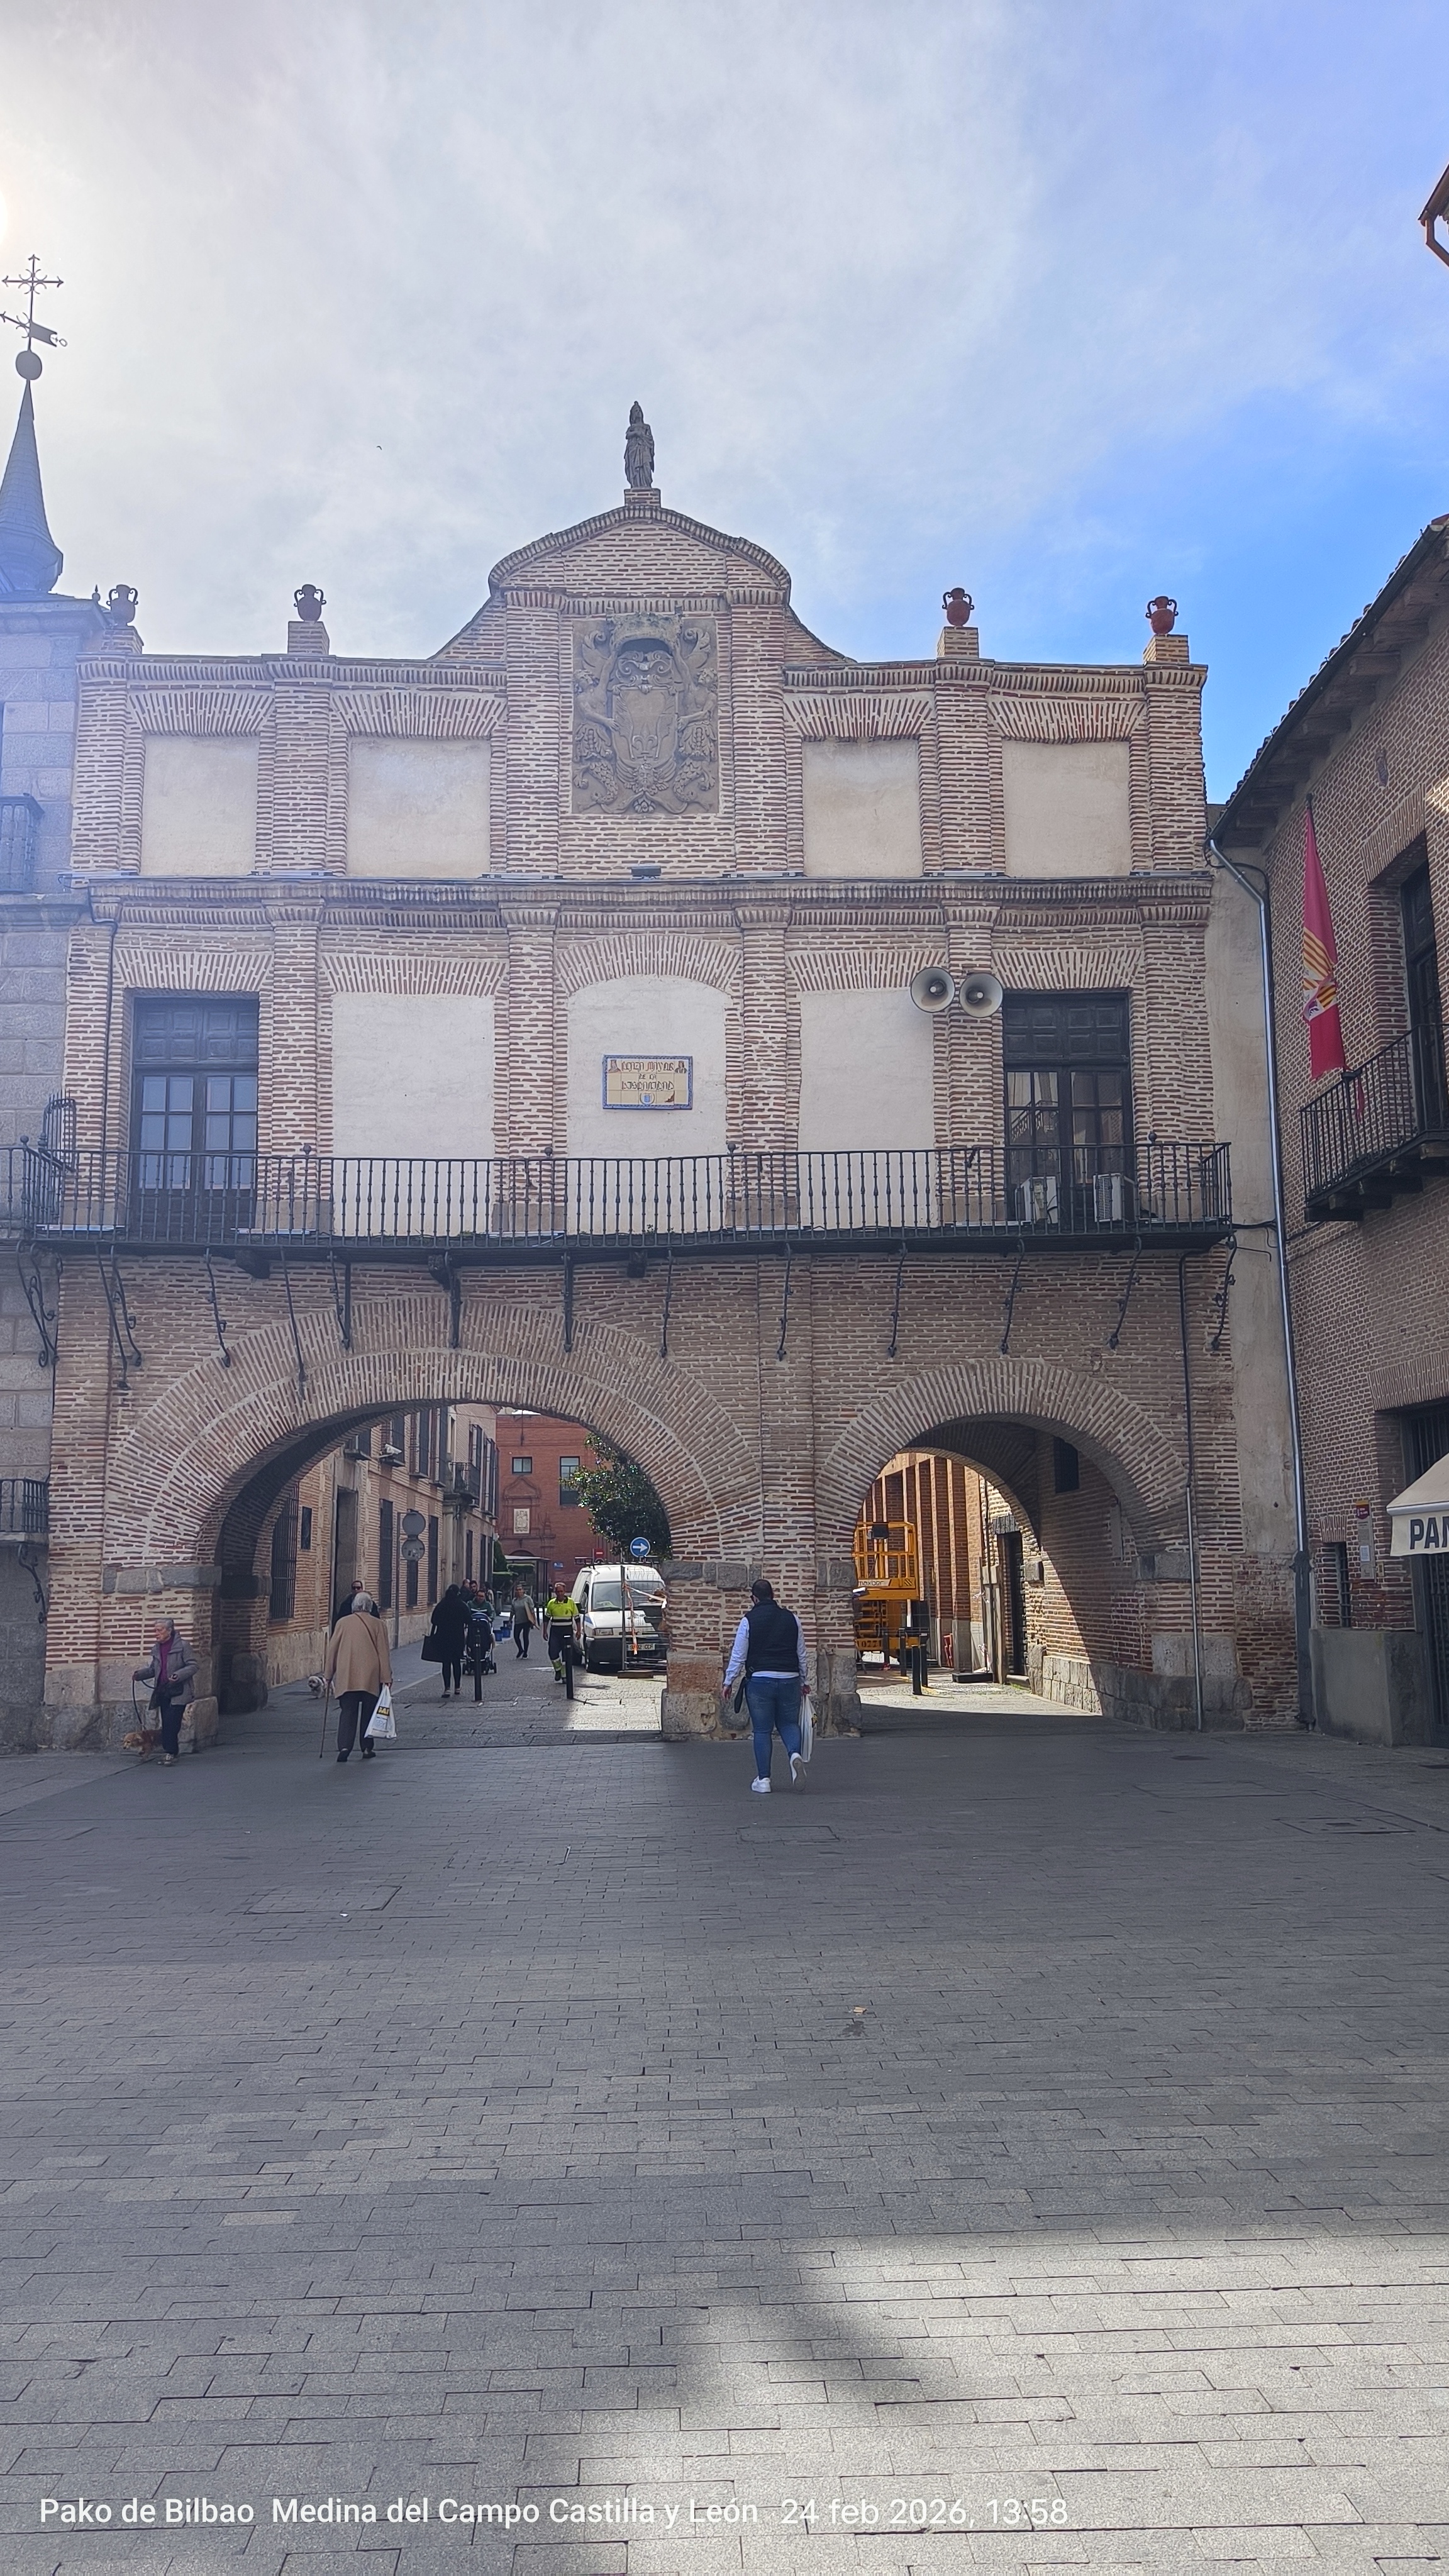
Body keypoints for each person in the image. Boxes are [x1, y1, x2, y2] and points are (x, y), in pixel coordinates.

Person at [721, 1577, 808, 1794]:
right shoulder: (793, 1619)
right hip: (790, 1679)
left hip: (760, 1681)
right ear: (773, 1595)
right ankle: (794, 1754)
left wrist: (729, 1681)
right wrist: (804, 1681)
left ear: (754, 1598)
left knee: (762, 1730)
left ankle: (764, 1779)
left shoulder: (748, 1620)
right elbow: (802, 1654)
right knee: (789, 1723)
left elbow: (739, 1655)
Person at [323, 1588, 392, 1763]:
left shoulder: (342, 1623)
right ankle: (367, 1747)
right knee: (369, 1711)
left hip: (348, 1673)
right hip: (371, 1675)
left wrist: (328, 1674)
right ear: (370, 1607)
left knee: (348, 1711)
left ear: (354, 1606)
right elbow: (383, 1653)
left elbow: (332, 1650)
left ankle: (345, 1747)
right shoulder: (378, 1625)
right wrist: (386, 1678)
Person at [133, 1620, 196, 1767]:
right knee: (167, 1722)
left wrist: (178, 1675)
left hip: (179, 1691)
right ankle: (172, 1751)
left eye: (160, 1630)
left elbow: (193, 1666)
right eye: (155, 1630)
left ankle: (170, 1752)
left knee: (171, 1722)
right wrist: (139, 1675)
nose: (156, 1634)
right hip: (163, 1691)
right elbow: (154, 1669)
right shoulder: (157, 1648)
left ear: (169, 1631)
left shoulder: (183, 1646)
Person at [426, 1584, 470, 1699]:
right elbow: (469, 1620)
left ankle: (447, 1688)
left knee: (446, 1663)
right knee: (456, 1662)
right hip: (457, 1638)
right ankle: (457, 1687)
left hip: (444, 1638)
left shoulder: (442, 1605)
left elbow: (434, 1620)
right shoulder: (461, 1605)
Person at [543, 1585, 577, 1682]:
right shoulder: (551, 1603)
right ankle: (558, 1669)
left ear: (565, 1591)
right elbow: (546, 1618)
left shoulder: (571, 1603)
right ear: (555, 1592)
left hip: (567, 1631)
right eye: (558, 1592)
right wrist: (544, 1631)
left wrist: (579, 1630)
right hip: (555, 1632)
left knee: (567, 1655)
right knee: (552, 1653)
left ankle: (565, 1676)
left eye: (561, 1591)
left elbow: (577, 1618)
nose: (560, 1594)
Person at [511, 1595, 535, 1659]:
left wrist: (533, 1620)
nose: (519, 1591)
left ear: (523, 1591)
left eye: (520, 1590)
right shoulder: (514, 1600)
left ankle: (525, 1653)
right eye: (517, 1590)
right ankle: (521, 1649)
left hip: (526, 1621)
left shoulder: (527, 1598)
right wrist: (510, 1620)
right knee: (516, 1636)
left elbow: (532, 1610)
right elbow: (512, 1611)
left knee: (525, 1636)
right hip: (518, 1621)